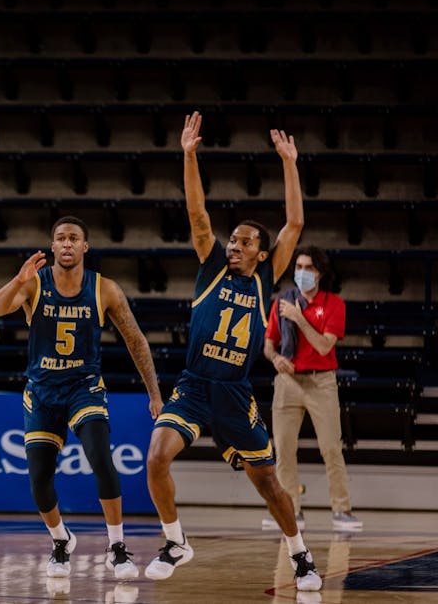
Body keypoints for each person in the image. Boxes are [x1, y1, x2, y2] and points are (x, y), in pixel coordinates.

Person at [144, 112, 322, 593]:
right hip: (194, 386)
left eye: (245, 242)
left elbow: (296, 221)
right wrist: (188, 154)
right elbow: (198, 213)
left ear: (262, 254)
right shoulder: (211, 267)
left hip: (235, 393)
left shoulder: (265, 279)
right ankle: (176, 541)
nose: (235, 246)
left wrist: (289, 163)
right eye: (235, 240)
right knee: (157, 456)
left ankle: (300, 554)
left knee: (268, 485)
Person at [0, 216, 163, 579]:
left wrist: (154, 394)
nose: (67, 244)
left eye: (74, 238)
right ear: (52, 246)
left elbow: (135, 340)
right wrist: (17, 281)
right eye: (60, 238)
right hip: (42, 391)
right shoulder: (34, 283)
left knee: (100, 456)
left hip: (84, 387)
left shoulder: (104, 289)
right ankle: (60, 540)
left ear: (85, 247)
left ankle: (116, 547)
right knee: (39, 479)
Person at [263, 245, 361, 532]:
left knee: (331, 448)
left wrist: (299, 318)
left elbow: (323, 345)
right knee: (283, 449)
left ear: (319, 273)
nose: (302, 273)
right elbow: (269, 345)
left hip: (322, 381)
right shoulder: (282, 301)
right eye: (299, 267)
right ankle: (289, 510)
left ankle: (342, 510)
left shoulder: (333, 304)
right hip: (288, 382)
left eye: (308, 268)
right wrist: (277, 358)